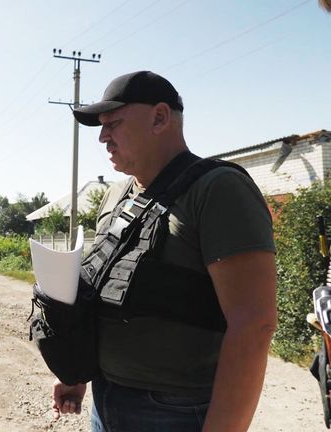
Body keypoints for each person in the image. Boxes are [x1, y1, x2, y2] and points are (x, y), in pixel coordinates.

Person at [52, 71, 277, 431]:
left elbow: (253, 323)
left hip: (175, 411)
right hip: (106, 400)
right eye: (101, 126)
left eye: (113, 123)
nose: (102, 137)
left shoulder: (218, 190)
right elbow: (101, 291)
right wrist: (78, 374)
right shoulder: (115, 197)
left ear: (159, 117)